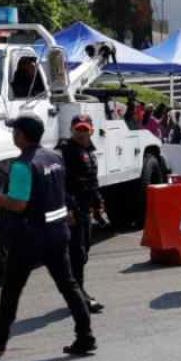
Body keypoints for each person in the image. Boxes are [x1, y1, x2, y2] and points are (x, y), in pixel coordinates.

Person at [0, 114, 96, 356]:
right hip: (58, 233)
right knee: (69, 286)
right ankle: (85, 336)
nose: (13, 135)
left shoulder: (23, 165)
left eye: (15, 131)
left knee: (12, 288)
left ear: (22, 135)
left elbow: (18, 204)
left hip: (30, 237)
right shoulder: (54, 157)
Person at [58, 114, 106, 314]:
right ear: (72, 130)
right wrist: (67, 209)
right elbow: (61, 183)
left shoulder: (88, 151)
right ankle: (78, 296)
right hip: (73, 210)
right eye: (78, 129)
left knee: (83, 252)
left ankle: (77, 293)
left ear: (92, 130)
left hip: (85, 208)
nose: (82, 133)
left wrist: (98, 204)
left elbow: (90, 182)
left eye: (85, 129)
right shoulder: (66, 152)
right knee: (77, 254)